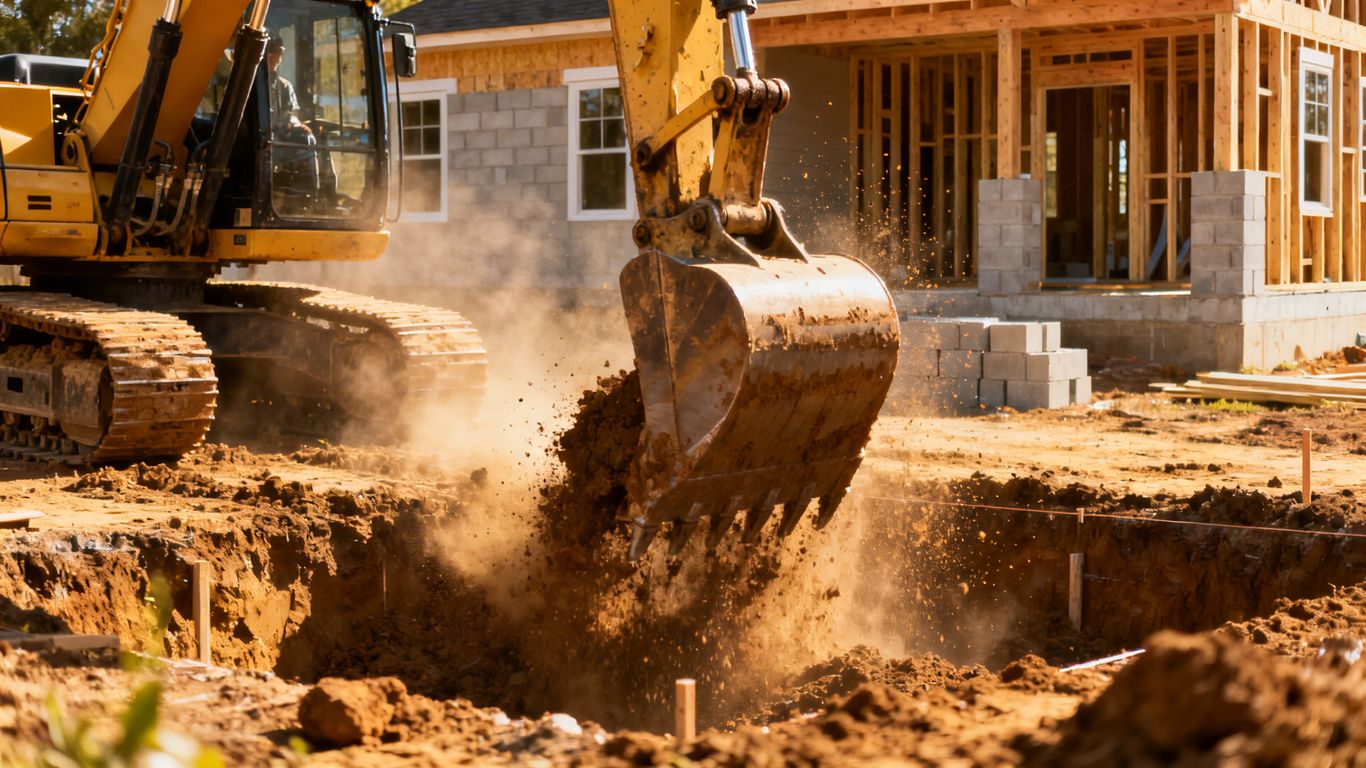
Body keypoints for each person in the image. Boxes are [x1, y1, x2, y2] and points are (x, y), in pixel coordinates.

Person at [264, 37, 319, 201]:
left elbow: (290, 116)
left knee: (309, 139)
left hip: (279, 142)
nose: (276, 58)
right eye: (273, 53)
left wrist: (297, 125)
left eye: (278, 54)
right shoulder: (248, 85)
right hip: (261, 145)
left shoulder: (284, 87)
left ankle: (314, 195)